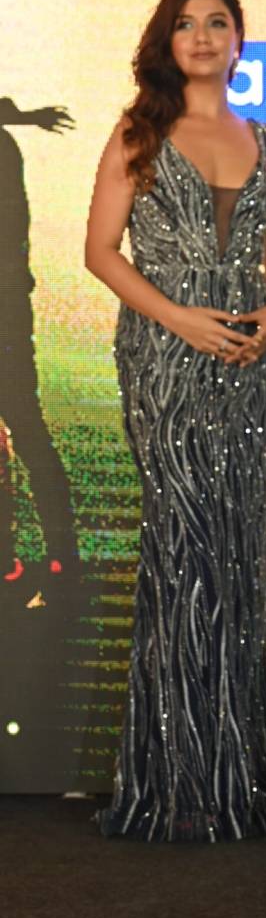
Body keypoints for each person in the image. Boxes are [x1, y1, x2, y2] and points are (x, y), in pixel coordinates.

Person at [85, 0, 266, 841]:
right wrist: (180, 319)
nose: (204, 36)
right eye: (187, 23)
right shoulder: (138, 134)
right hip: (165, 363)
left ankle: (243, 777)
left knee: (241, 552)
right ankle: (176, 780)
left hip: (252, 368)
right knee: (183, 552)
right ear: (167, 40)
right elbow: (101, 252)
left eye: (218, 22)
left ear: (239, 39)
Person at [0, 97, 78, 588]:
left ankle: (36, 554)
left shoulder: (4, 150)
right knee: (26, 427)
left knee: (25, 427)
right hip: (9, 303)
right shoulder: (6, 148)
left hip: (5, 304)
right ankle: (58, 552)